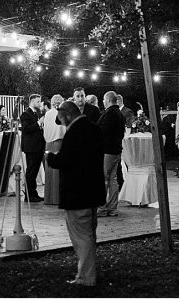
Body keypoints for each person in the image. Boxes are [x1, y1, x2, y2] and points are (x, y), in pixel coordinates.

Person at [47, 101, 107, 287]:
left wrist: (51, 157)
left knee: (82, 236)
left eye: (61, 119)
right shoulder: (94, 129)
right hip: (93, 189)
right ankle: (89, 272)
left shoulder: (74, 133)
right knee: (89, 232)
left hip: (77, 192)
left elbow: (67, 160)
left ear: (67, 115)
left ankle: (86, 277)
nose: (62, 123)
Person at [96, 91, 124, 218]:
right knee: (113, 180)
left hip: (107, 151)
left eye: (103, 100)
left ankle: (101, 208)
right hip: (116, 150)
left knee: (103, 179)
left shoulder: (109, 114)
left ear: (107, 100)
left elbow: (102, 132)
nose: (102, 102)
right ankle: (113, 208)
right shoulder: (119, 113)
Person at [20, 93, 45, 203]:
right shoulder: (26, 114)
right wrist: (39, 123)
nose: (40, 104)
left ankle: (33, 193)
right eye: (38, 101)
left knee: (34, 171)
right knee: (31, 171)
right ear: (32, 102)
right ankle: (29, 195)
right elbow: (26, 129)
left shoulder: (35, 113)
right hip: (31, 147)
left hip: (38, 146)